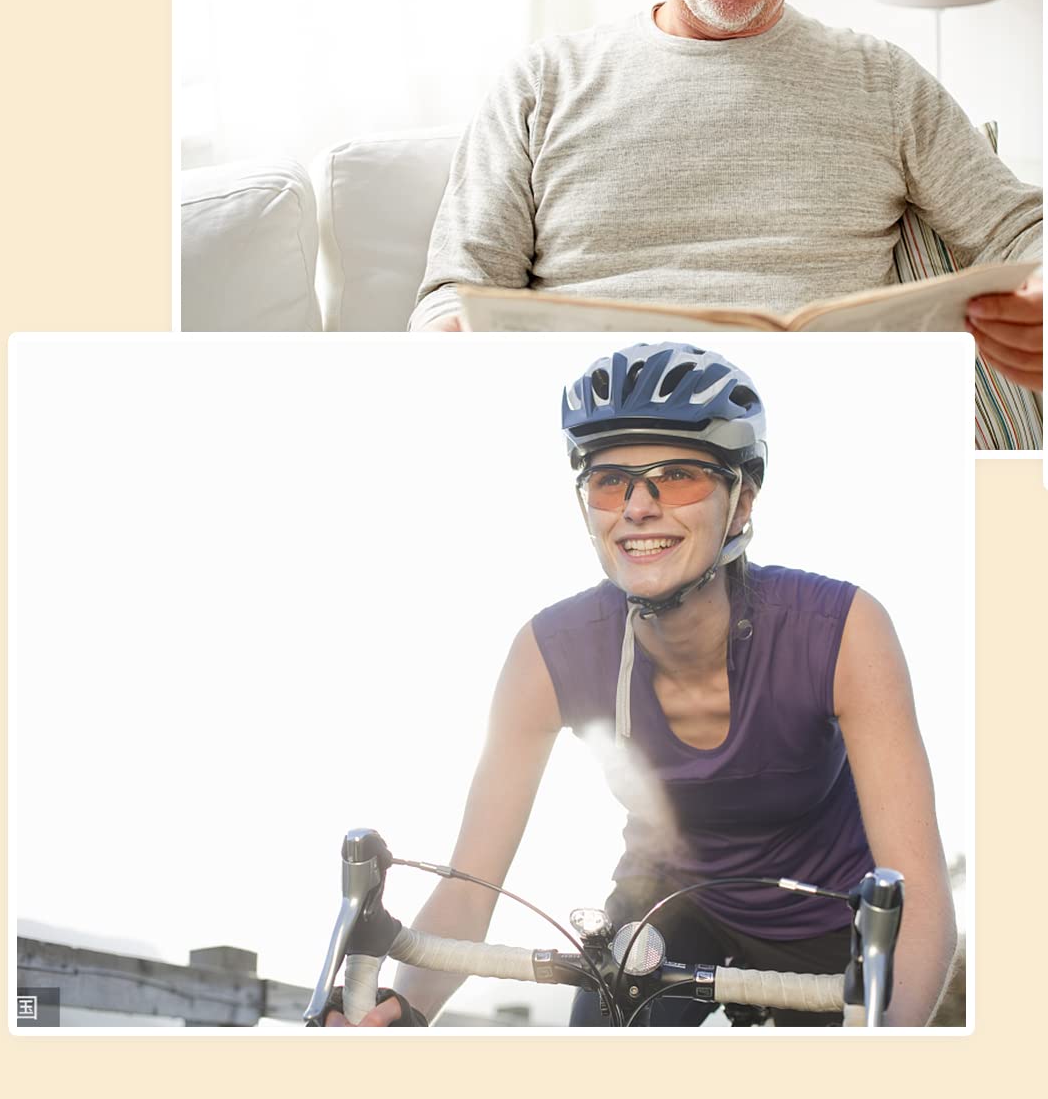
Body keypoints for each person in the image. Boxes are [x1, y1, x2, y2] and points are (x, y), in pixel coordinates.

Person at [324, 343, 956, 1028]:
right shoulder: (549, 654)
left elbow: (918, 896)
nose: (638, 507)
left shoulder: (842, 632)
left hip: (825, 920)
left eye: (677, 476)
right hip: (664, 910)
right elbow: (470, 889)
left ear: (741, 501)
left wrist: (894, 1051)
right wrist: (402, 1008)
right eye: (610, 482)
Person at [413, 0, 1044, 390]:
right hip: (596, 436)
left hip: (816, 428)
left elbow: (1025, 229)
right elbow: (453, 297)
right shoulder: (543, 83)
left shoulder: (883, 82)